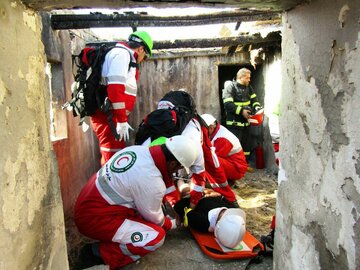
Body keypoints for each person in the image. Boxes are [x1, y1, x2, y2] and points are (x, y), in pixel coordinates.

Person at [73, 135, 198, 270]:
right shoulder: (151, 181)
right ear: (173, 163)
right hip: (93, 220)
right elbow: (156, 220)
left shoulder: (138, 151)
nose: (175, 172)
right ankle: (95, 254)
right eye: (177, 169)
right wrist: (173, 223)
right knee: (155, 237)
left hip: (87, 205)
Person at [154, 89, 237, 209]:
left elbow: (199, 174)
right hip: (173, 147)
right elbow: (162, 174)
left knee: (211, 165)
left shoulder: (192, 140)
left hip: (188, 140)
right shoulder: (155, 141)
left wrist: (193, 203)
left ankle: (228, 198)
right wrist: (174, 203)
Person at [91, 30, 153, 165]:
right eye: (145, 56)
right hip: (109, 115)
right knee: (111, 153)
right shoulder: (122, 55)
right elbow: (115, 88)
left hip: (112, 115)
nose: (143, 60)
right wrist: (121, 119)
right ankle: (109, 184)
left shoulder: (125, 56)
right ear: (141, 49)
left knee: (115, 151)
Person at [174, 193, 246, 249]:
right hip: (207, 192)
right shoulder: (233, 209)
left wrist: (201, 194)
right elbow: (222, 197)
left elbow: (180, 206)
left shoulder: (202, 222)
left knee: (184, 187)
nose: (223, 211)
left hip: (196, 196)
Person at [222, 68, 262, 163]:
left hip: (246, 124)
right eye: (247, 78)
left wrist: (257, 108)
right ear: (240, 77)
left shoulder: (249, 87)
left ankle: (244, 166)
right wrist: (242, 111)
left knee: (246, 147)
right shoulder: (230, 87)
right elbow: (227, 105)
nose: (249, 80)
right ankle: (234, 166)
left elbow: (254, 100)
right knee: (234, 147)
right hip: (234, 125)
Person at [201, 113, 248, 182]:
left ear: (210, 128)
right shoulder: (216, 130)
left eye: (202, 130)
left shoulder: (222, 138)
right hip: (231, 164)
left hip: (236, 170)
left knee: (210, 159)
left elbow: (212, 160)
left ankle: (217, 182)